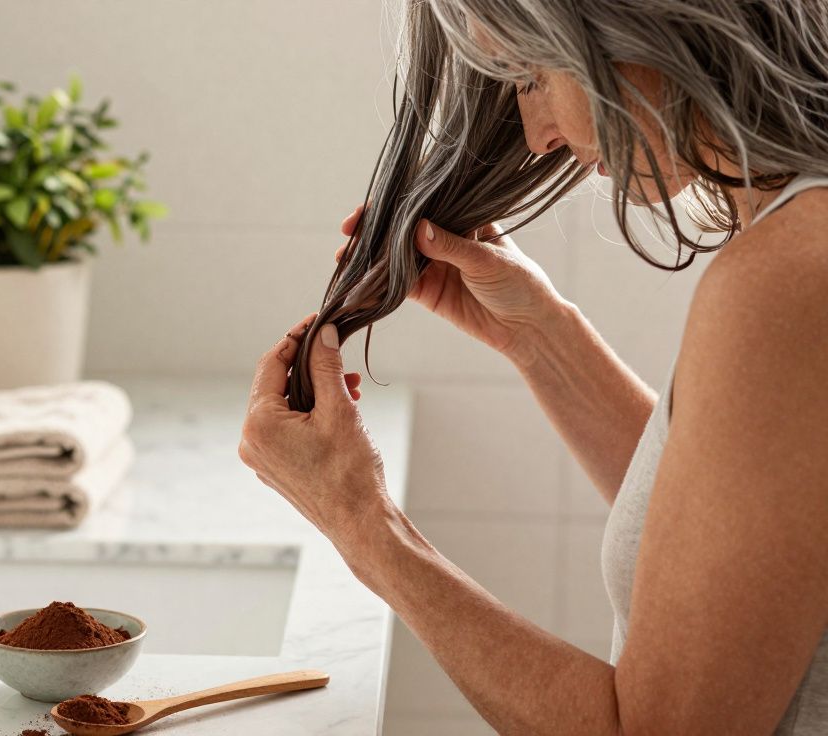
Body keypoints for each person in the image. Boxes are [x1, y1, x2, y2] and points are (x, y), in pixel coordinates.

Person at [237, 1, 828, 733]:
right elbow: (735, 529)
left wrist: (363, 522)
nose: (539, 135)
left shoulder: (790, 276)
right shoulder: (801, 232)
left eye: (531, 76)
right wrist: (539, 338)